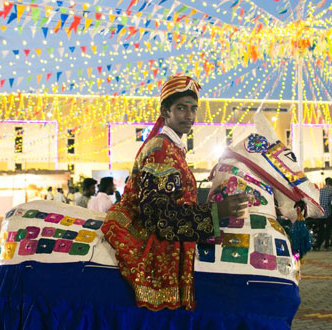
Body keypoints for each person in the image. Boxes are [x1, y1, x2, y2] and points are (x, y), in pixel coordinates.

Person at [101, 74, 247, 310]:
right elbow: (156, 216)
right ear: (165, 111)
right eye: (181, 108)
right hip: (149, 234)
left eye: (193, 108)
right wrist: (214, 213)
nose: (189, 115)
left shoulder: (173, 147)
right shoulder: (161, 150)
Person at [313, 177, 332, 251]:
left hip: (319, 213)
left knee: (320, 230)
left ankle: (317, 245)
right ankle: (326, 245)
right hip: (328, 214)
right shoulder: (331, 192)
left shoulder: (320, 190)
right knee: (328, 230)